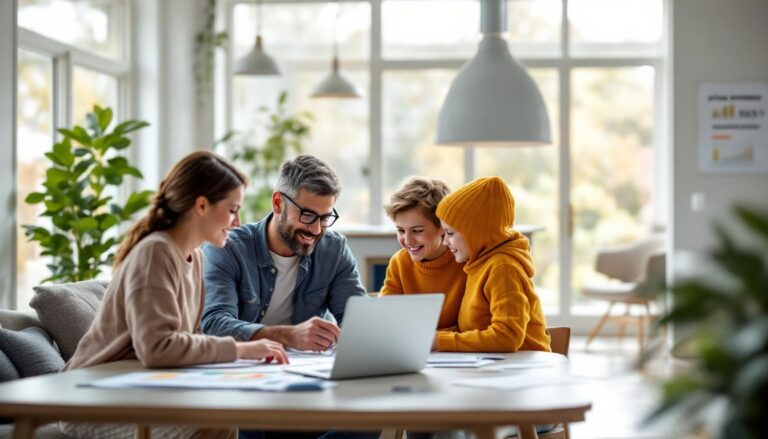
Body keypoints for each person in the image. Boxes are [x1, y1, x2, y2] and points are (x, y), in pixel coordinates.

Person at [60, 151, 288, 439]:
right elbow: (158, 348)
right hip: (91, 401)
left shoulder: (196, 257)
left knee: (224, 415)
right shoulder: (155, 252)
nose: (237, 222)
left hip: (141, 388)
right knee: (214, 421)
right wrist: (241, 349)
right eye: (232, 210)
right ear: (201, 205)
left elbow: (190, 339)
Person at [201, 154, 376, 439]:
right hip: (246, 380)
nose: (316, 229)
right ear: (278, 203)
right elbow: (214, 322)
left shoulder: (333, 248)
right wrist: (288, 335)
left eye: (325, 218)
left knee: (368, 423)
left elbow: (358, 318)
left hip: (309, 381)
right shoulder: (228, 247)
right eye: (307, 215)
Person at [434, 176, 551, 353]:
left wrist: (439, 341)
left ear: (476, 232)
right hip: (500, 366)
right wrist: (428, 337)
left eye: (450, 233)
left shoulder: (503, 268)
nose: (445, 242)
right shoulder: (479, 265)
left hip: (524, 369)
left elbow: (507, 337)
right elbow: (475, 331)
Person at [379, 177, 466, 329]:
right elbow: (385, 317)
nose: (407, 240)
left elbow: (473, 324)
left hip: (456, 348)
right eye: (400, 230)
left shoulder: (465, 261)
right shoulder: (399, 263)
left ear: (442, 226)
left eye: (417, 231)